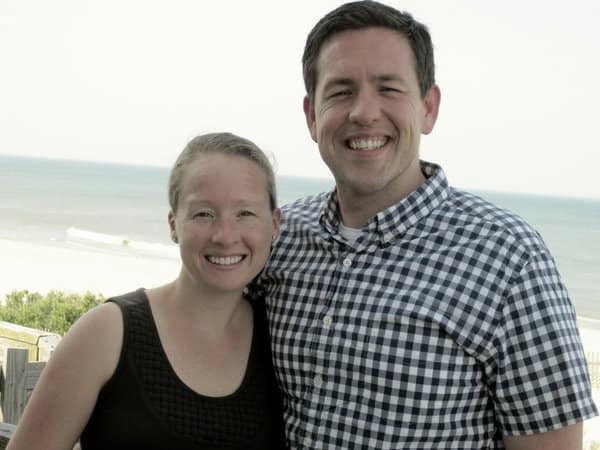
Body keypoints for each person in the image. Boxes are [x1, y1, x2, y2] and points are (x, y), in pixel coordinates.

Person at [249, 1, 598, 448]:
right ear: (312, 116)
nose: (363, 112)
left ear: (429, 108)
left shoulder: (508, 257)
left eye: (389, 88)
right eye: (340, 91)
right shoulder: (279, 238)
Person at [7, 132, 285, 449]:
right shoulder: (106, 333)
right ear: (172, 224)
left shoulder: (282, 338)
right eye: (203, 213)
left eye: (245, 213)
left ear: (274, 224)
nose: (224, 235)